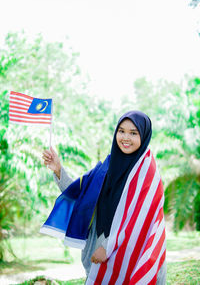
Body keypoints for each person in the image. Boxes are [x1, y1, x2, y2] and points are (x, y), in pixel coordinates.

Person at [41, 110, 166, 284]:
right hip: (96, 249)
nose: (125, 137)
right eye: (121, 131)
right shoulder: (107, 165)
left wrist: (107, 248)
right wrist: (58, 169)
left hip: (129, 254)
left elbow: (141, 221)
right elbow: (79, 194)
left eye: (133, 133)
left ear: (143, 136)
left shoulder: (148, 173)